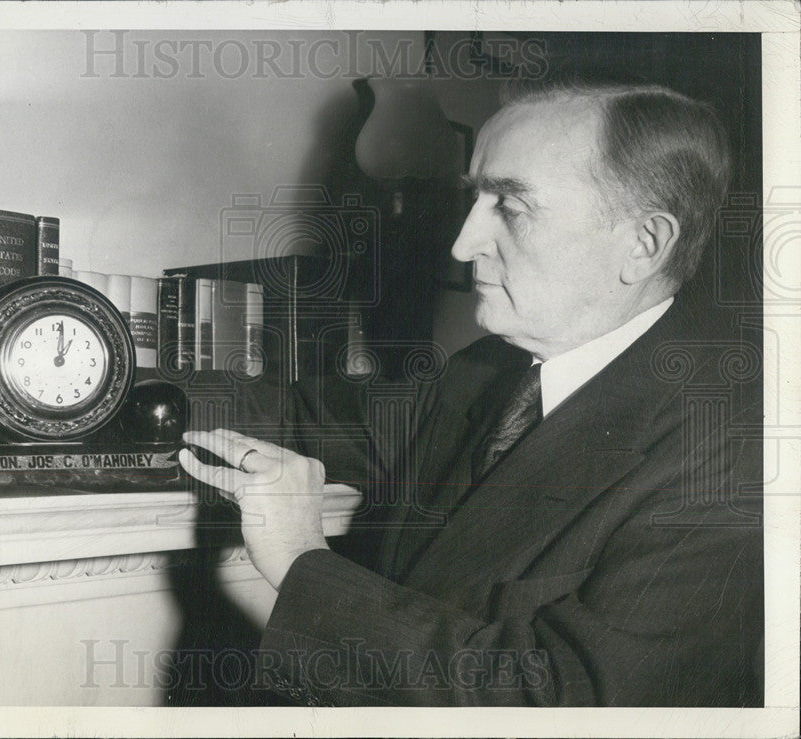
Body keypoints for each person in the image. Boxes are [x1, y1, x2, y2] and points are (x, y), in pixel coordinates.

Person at [179, 82, 763, 706]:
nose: (462, 245)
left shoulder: (733, 455)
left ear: (642, 244)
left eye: (509, 206)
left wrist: (302, 563)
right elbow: (292, 414)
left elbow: (561, 706)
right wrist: (85, 379)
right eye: (475, 199)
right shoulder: (487, 373)